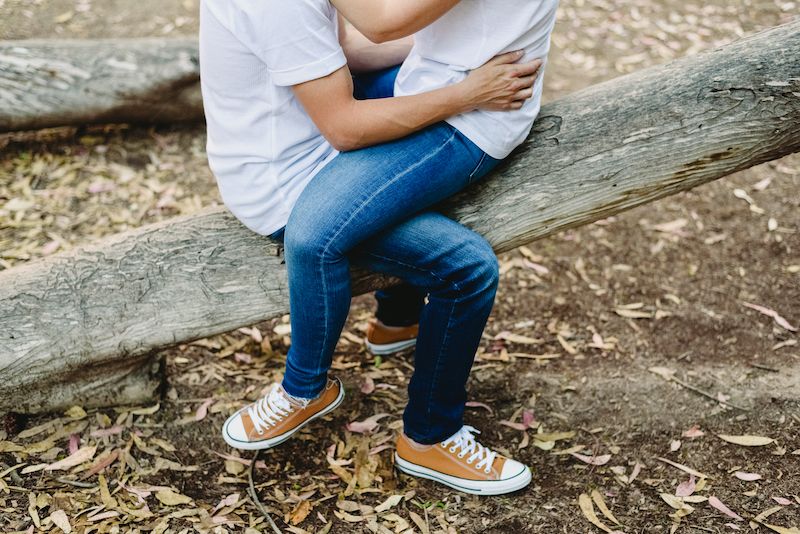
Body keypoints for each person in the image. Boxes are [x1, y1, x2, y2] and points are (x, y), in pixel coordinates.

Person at [199, 0, 557, 495]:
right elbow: (347, 124)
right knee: (467, 266)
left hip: (309, 136)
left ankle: (397, 326)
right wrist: (465, 91)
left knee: (394, 102)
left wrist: (447, 56)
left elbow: (345, 51)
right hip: (287, 181)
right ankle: (340, 401)